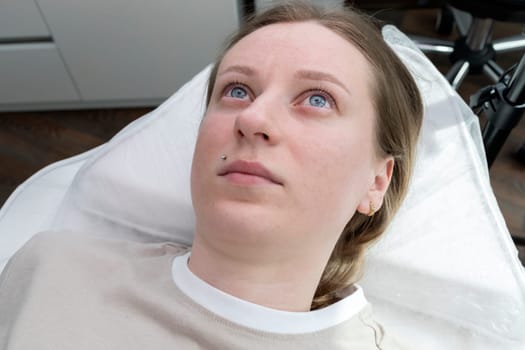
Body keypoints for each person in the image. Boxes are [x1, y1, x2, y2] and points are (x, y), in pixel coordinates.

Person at [0, 2, 422, 349]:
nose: (252, 117)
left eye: (317, 98)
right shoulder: (50, 268)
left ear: (377, 182)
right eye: (237, 91)